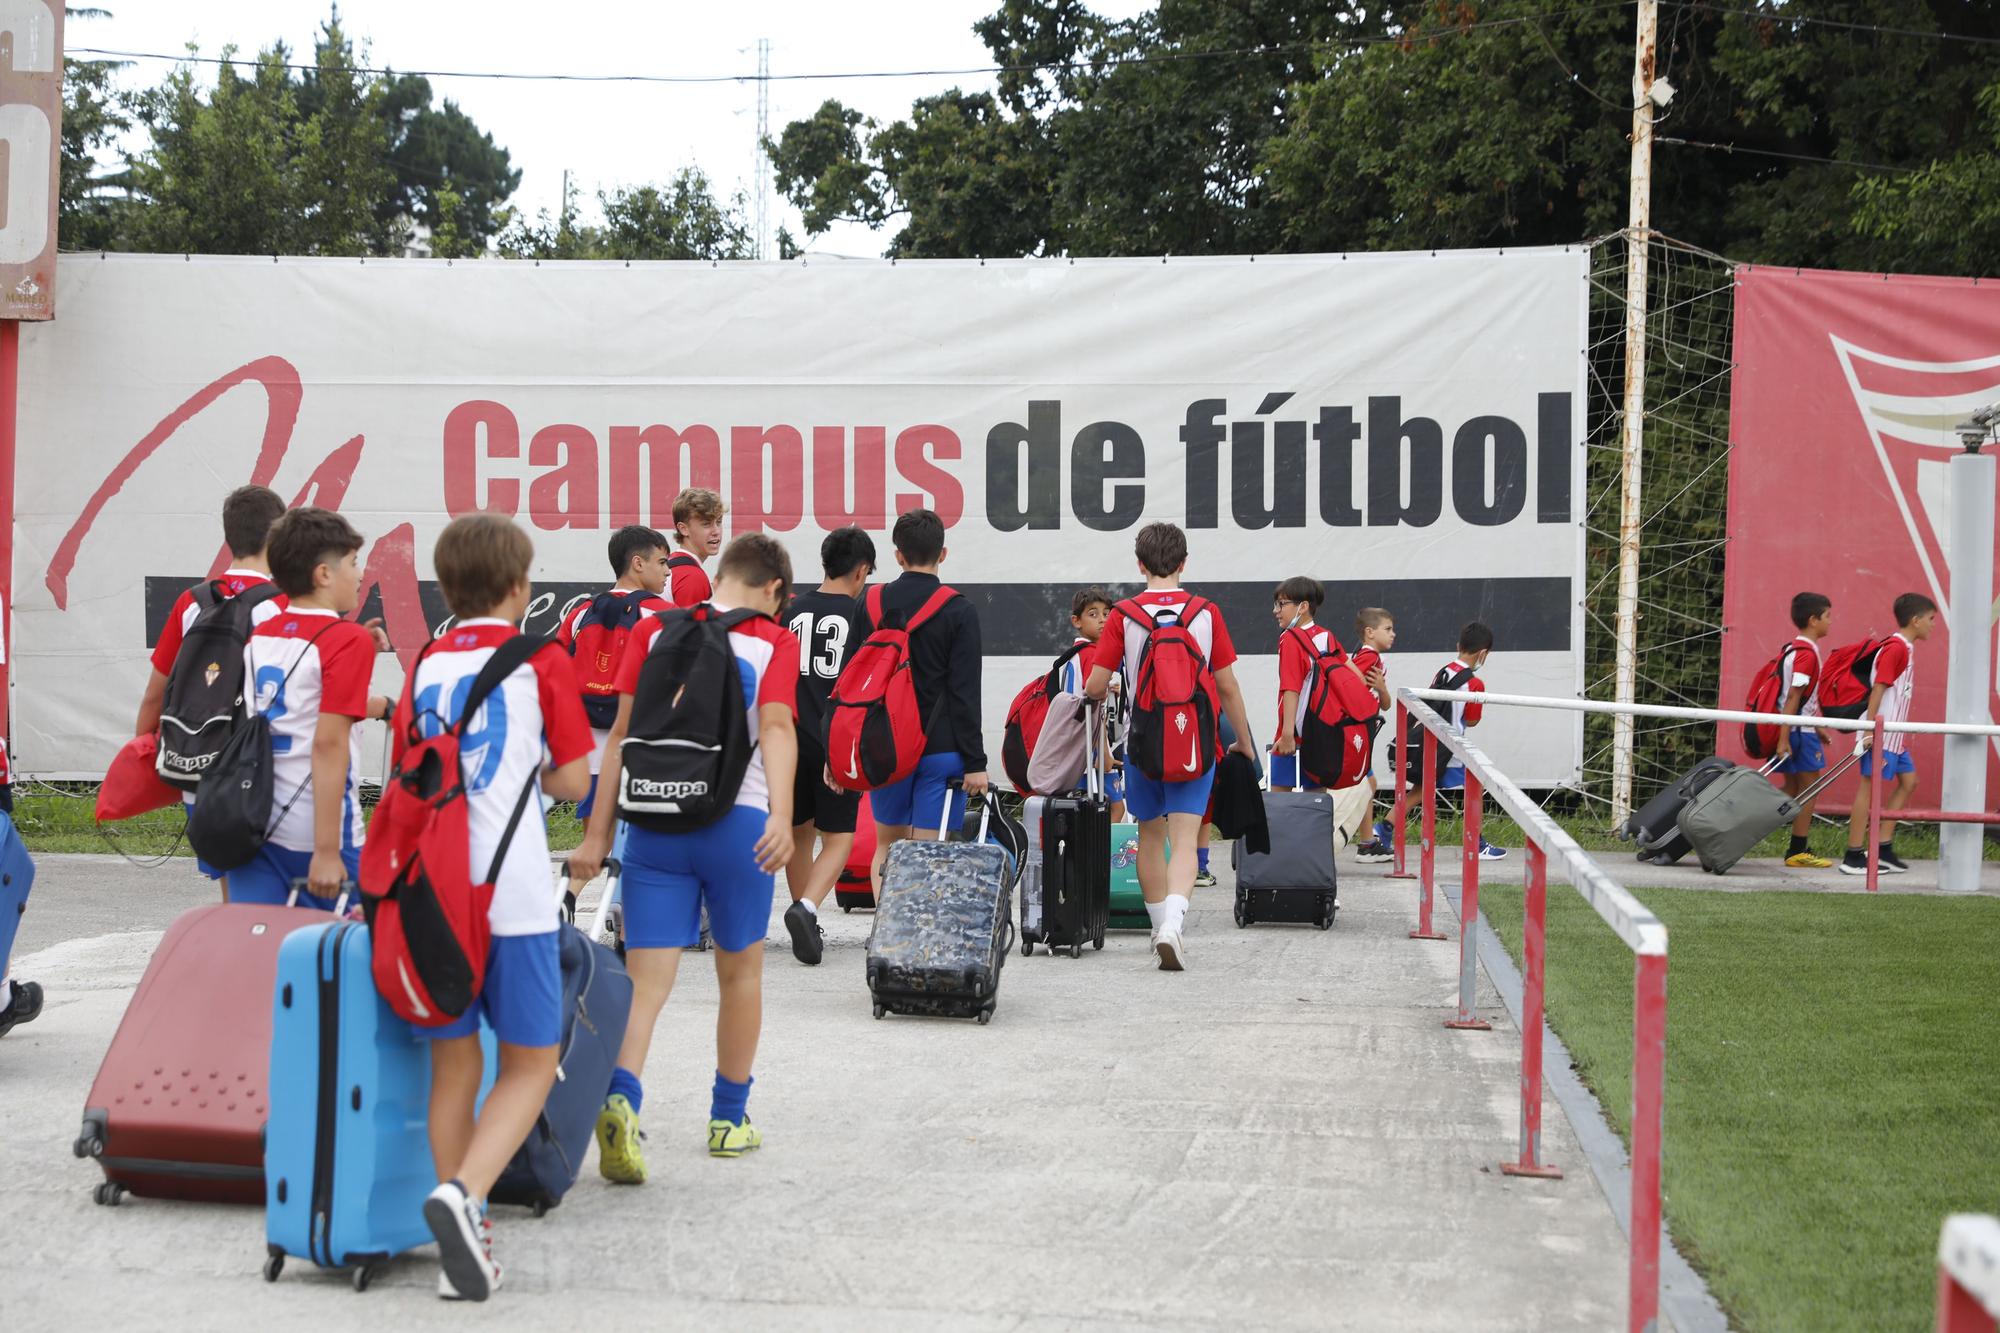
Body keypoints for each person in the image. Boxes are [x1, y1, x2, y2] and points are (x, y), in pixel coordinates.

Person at [572, 534, 798, 1180]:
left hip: (653, 822)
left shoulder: (651, 629)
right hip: (740, 826)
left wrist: (596, 834)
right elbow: (778, 726)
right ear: (774, 590)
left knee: (646, 982)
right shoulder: (772, 640)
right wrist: (781, 814)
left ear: (720, 575)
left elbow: (619, 737)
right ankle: (729, 1119)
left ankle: (622, 1095)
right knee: (740, 973)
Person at [412, 514, 594, 1303]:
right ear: (520, 587)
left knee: (453, 1065)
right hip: (511, 889)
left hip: (433, 890)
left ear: (449, 586)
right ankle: (466, 1194)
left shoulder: (425, 660)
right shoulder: (539, 658)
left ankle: (467, 1230)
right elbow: (574, 781)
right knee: (527, 1063)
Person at [1082, 522, 1256, 971]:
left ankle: (1159, 923)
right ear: (1183, 563)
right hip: (1195, 740)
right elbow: (1228, 686)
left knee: (1149, 835)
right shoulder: (1206, 612)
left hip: (1144, 742)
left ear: (1139, 564)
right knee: (1184, 838)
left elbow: (1096, 684)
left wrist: (1103, 690)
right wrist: (1243, 741)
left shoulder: (1123, 615)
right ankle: (1173, 926)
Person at [137, 485, 290, 895]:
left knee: (231, 892)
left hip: (200, 766)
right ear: (277, 536)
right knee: (271, 897)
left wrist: (143, 751)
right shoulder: (280, 607)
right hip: (262, 771)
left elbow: (157, 691)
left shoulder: (193, 601)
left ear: (229, 537)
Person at [235, 508, 391, 908]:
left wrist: (357, 649)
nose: (360, 574)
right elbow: (327, 744)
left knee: (265, 957)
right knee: (349, 959)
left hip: (256, 817)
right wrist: (326, 850)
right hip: (318, 830)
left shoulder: (262, 632)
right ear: (323, 574)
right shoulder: (344, 640)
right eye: (354, 563)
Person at [861, 509, 989, 884]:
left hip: (885, 746)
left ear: (898, 555)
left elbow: (849, 682)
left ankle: (885, 939)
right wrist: (975, 761)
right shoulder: (960, 610)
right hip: (942, 748)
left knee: (887, 845)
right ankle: (922, 939)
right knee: (928, 849)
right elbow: (965, 692)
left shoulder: (870, 604)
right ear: (943, 554)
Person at [780, 526, 874, 965]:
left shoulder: (790, 610)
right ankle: (807, 909)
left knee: (799, 833)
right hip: (833, 737)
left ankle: (806, 921)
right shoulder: (861, 615)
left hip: (787, 736)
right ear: (862, 571)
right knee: (838, 838)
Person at [1841, 592, 1936, 877]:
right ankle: (1853, 855)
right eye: (1931, 620)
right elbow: (1879, 689)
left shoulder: (1905, 647)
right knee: (1868, 790)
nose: (1933, 625)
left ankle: (1882, 846)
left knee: (1909, 782)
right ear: (1915, 620)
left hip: (1895, 737)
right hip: (1880, 734)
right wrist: (1871, 730)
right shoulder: (1895, 648)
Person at [1775, 592, 1835, 868]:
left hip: (1800, 728)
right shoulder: (1806, 655)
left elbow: (1799, 699)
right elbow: (1793, 697)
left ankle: (1740, 827)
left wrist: (1817, 725)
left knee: (1791, 787)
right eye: (1827, 617)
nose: (1830, 622)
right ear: (1813, 620)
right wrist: (1784, 738)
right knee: (1811, 787)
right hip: (1798, 733)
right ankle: (1797, 849)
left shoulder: (1793, 648)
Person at [1437, 621, 1505, 861]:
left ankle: (1384, 831)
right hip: (1451, 746)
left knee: (1418, 791)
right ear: (1483, 653)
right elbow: (1472, 720)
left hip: (1432, 742)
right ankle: (1476, 842)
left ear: (1459, 645)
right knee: (1477, 784)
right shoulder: (1475, 683)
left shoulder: (1443, 671)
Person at [1057, 586, 1124, 819]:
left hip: (1077, 747)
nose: (1103, 620)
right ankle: (1102, 855)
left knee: (1091, 811)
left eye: (1107, 613)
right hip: (1089, 749)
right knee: (1114, 808)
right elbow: (1092, 705)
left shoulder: (1074, 654)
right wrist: (1102, 752)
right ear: (1076, 621)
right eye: (1093, 614)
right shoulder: (1090, 654)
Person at [1270, 576, 1340, 793]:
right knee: (1316, 806)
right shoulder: (1327, 636)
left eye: (1282, 604)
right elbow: (1351, 675)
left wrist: (1287, 733)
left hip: (1294, 733)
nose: (1276, 610)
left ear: (1303, 606)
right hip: (1323, 731)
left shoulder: (1290, 638)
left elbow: (1291, 688)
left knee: (1279, 802)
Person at [1350, 606, 1398, 862]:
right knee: (1365, 783)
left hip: (1366, 726)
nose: (1393, 635)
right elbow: (1349, 684)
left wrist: (1380, 689)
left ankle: (1367, 841)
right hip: (1359, 728)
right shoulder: (1368, 658)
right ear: (1369, 632)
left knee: (1368, 783)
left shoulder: (1372, 658)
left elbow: (1386, 703)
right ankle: (1365, 843)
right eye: (1387, 629)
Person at [668, 487, 726, 606]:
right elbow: (690, 624)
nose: (716, 531)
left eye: (718, 522)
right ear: (683, 529)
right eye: (706, 524)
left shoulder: (670, 563)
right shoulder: (692, 577)